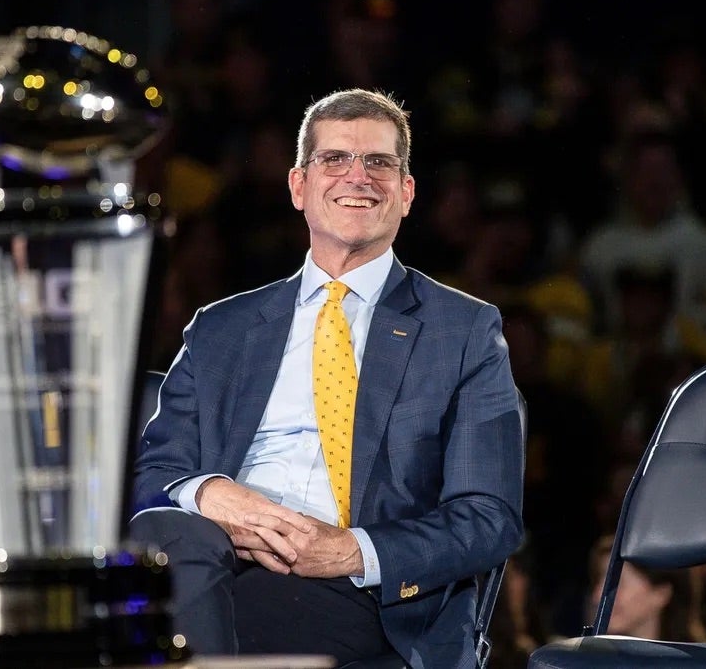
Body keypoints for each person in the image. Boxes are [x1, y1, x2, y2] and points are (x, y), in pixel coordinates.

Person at [130, 88, 525, 668]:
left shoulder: (461, 330)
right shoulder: (221, 329)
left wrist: (351, 551)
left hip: (356, 591)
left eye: (379, 163)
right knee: (174, 545)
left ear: (407, 194)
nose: (357, 177)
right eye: (335, 159)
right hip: (210, 560)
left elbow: (488, 518)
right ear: (299, 186)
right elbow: (151, 475)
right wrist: (211, 494)